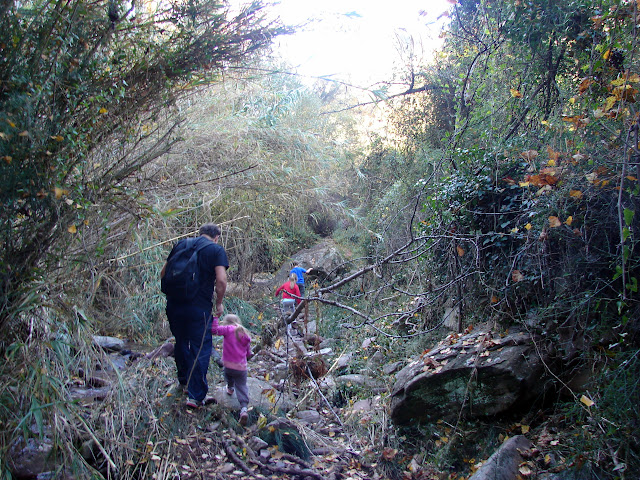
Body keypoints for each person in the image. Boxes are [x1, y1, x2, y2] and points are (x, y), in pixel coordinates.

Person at [161, 223, 228, 408]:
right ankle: (195, 396)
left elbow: (163, 273)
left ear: (200, 233)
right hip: (198, 307)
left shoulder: (181, 244)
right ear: (216, 237)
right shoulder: (216, 250)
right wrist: (219, 303)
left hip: (174, 304)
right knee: (200, 347)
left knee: (181, 342)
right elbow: (221, 281)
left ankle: (183, 382)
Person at [211, 314, 253, 426]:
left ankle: (230, 388)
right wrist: (247, 355)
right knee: (242, 386)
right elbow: (248, 352)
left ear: (226, 322)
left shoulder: (228, 329)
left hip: (228, 365)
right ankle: (244, 409)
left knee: (228, 375)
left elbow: (214, 330)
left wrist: (215, 317)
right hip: (241, 367)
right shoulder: (244, 332)